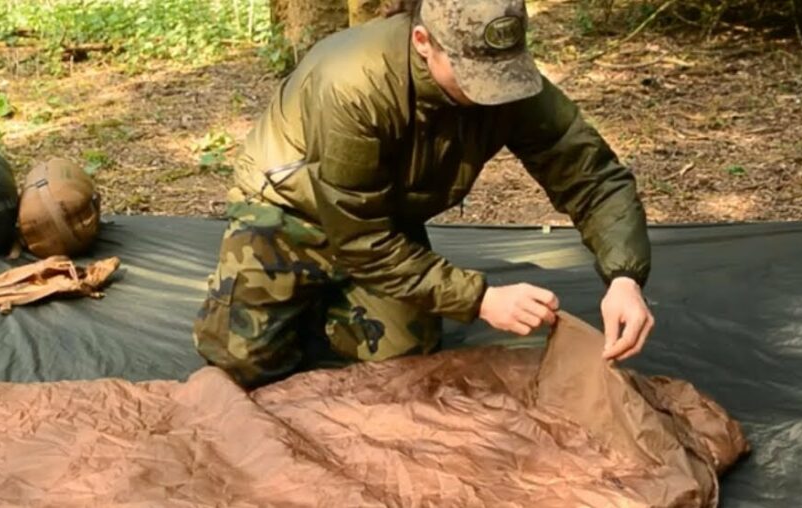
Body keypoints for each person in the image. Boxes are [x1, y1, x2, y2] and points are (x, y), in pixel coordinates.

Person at [193, 0, 654, 388]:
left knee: (406, 361)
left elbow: (591, 174)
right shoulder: (353, 84)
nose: (491, 90)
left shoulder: (507, 81)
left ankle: (327, 308)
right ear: (422, 42)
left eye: (503, 72)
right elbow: (359, 239)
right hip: (289, 210)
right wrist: (481, 299)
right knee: (240, 364)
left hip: (384, 215)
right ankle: (298, 302)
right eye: (473, 72)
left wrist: (624, 277)